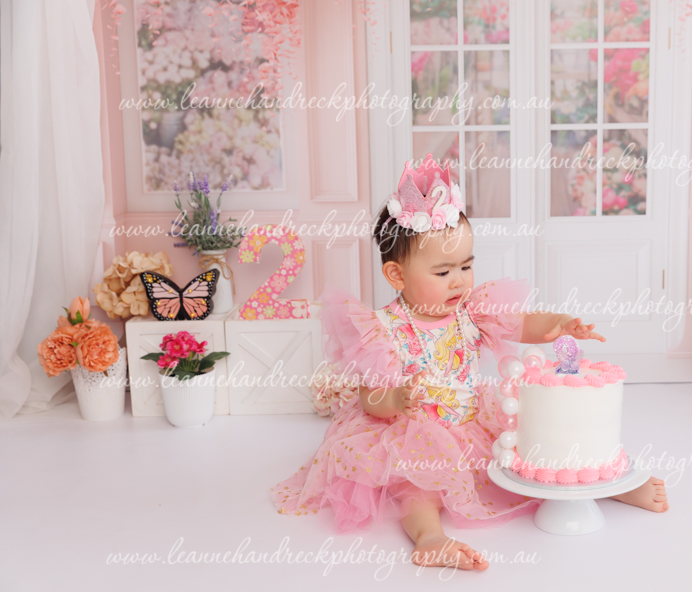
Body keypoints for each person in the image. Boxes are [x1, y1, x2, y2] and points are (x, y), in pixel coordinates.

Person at [271, 155, 668, 571]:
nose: (459, 280)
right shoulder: (381, 329)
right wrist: (396, 399)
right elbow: (370, 397)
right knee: (419, 485)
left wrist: (557, 325)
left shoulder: (472, 310)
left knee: (534, 449)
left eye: (466, 265)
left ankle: (601, 485)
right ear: (397, 275)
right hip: (413, 430)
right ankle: (430, 537)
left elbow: (521, 323)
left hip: (471, 419)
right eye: (443, 272)